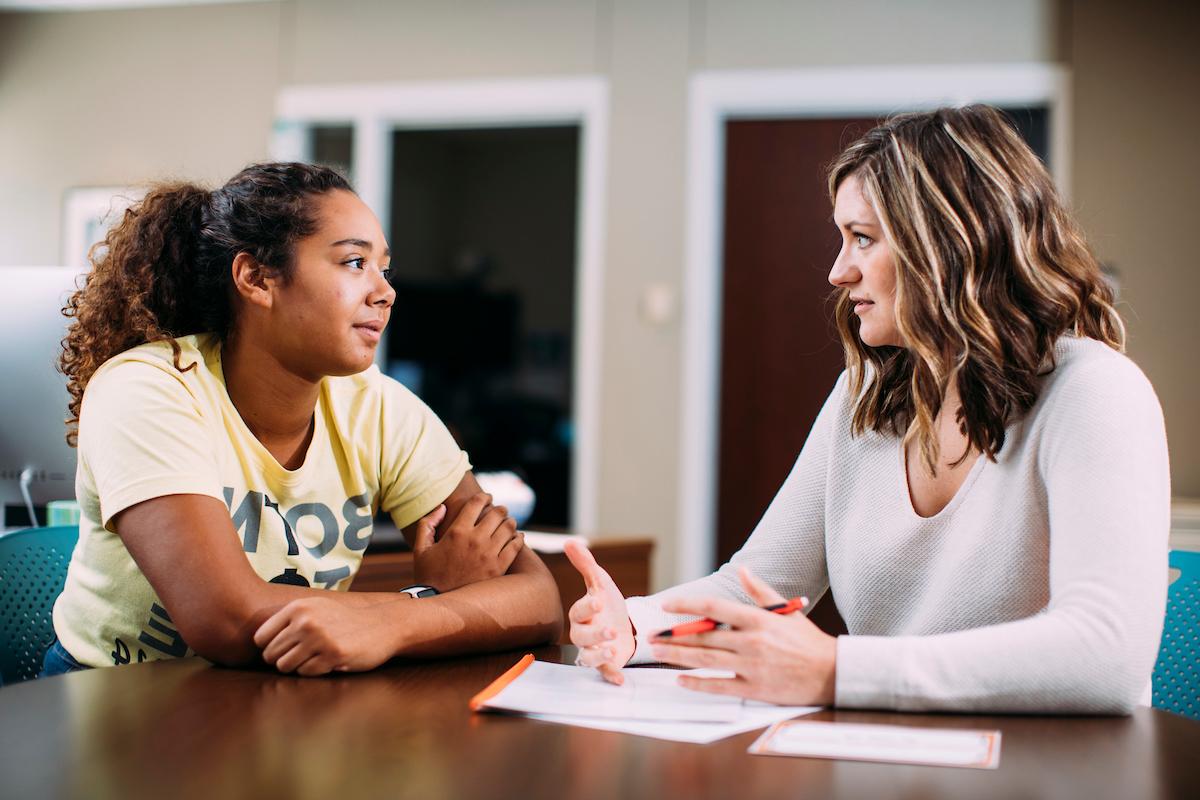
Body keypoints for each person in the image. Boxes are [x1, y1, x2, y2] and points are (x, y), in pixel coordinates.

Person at [565, 105, 1170, 714]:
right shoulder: (865, 395)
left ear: (949, 242)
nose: (837, 271)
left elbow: (1106, 654)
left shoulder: (1095, 392)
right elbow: (756, 587)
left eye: (863, 238)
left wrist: (837, 670)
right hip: (898, 757)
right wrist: (637, 626)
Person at [47, 162, 562, 677]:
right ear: (257, 278)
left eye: (385, 268)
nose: (385, 292)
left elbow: (538, 599)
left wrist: (398, 622)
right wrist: (426, 602)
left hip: (274, 697)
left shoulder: (378, 407)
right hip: (114, 703)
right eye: (354, 262)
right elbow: (226, 623)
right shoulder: (148, 388)